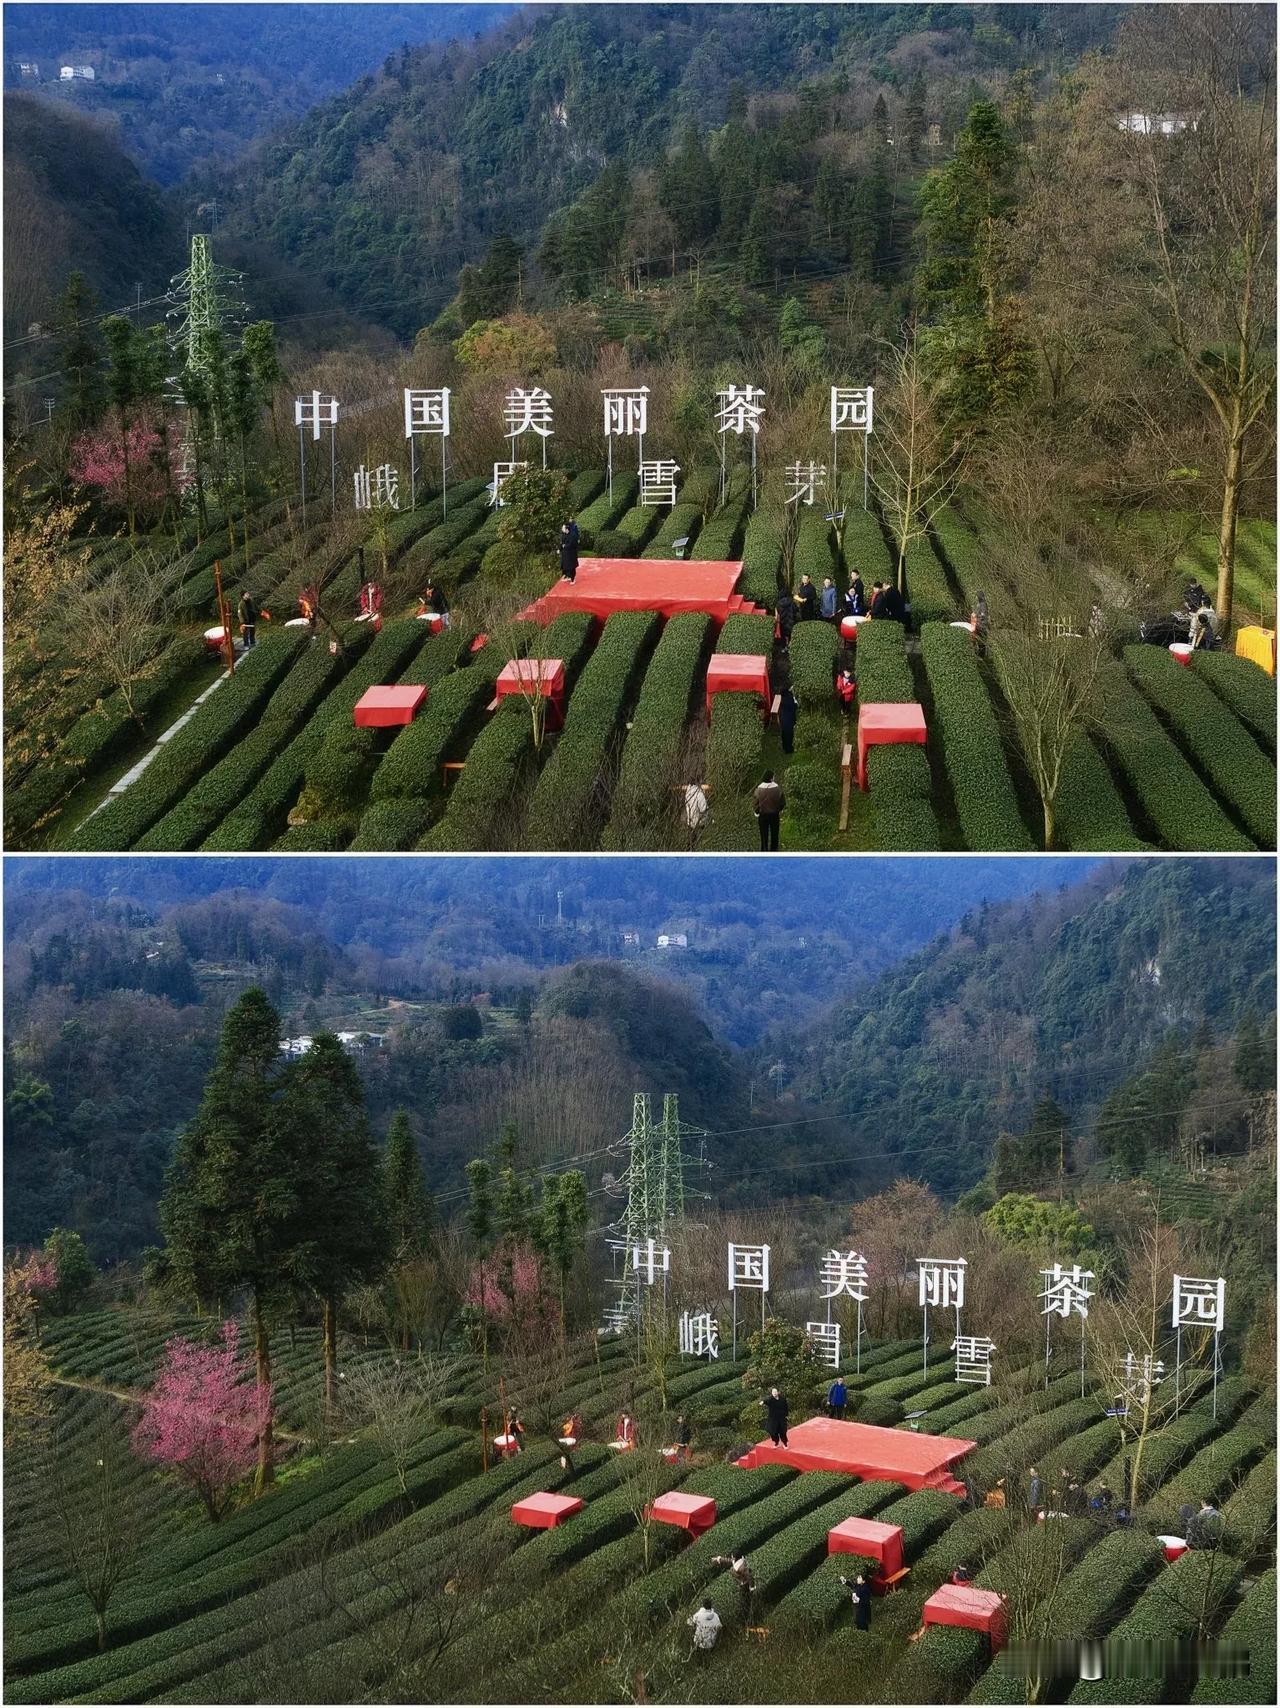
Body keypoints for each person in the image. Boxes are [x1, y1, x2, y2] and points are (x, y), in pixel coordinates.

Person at [712, 1550, 756, 1618]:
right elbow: (728, 1560)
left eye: (732, 1556)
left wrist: (751, 1588)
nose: (732, 1557)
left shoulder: (742, 1567)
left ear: (735, 1557)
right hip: (741, 1584)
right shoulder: (736, 1561)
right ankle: (745, 1615)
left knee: (745, 1602)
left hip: (745, 1585)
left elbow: (750, 1576)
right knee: (743, 1602)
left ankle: (746, 1616)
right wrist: (718, 1559)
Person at [753, 772, 785, 853]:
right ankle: (774, 852)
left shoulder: (758, 789)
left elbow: (755, 802)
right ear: (771, 778)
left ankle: (764, 851)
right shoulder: (777, 789)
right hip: (774, 815)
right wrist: (779, 809)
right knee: (774, 835)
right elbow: (782, 802)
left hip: (763, 816)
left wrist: (757, 812)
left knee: (764, 836)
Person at [559, 516, 580, 582]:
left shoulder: (572, 535)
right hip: (565, 553)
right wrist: (560, 549)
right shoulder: (564, 535)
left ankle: (572, 579)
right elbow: (562, 543)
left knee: (571, 566)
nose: (562, 529)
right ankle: (567, 576)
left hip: (571, 553)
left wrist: (565, 546)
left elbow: (571, 544)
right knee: (565, 565)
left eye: (563, 528)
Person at [777, 689, 798, 755]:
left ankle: (785, 748)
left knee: (784, 734)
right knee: (790, 735)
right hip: (790, 719)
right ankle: (789, 749)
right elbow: (795, 707)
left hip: (783, 719)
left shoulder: (781, 700)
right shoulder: (790, 699)